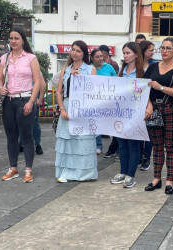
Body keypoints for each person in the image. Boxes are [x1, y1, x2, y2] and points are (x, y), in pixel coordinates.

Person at [0, 27, 41, 183]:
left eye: (16, 38)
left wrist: (31, 101)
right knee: (11, 136)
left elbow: (38, 82)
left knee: (27, 136)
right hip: (8, 100)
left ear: (23, 40)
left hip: (25, 99)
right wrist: (0, 87)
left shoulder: (30, 58)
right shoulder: (5, 58)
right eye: (11, 38)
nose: (13, 41)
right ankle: (13, 168)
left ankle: (28, 169)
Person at [144, 37, 173, 195]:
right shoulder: (153, 67)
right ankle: (156, 178)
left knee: (169, 146)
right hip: (154, 109)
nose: (164, 51)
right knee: (156, 146)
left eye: (168, 48)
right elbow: (144, 88)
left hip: (170, 109)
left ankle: (169, 180)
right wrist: (148, 105)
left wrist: (160, 87)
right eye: (162, 48)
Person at [55, 40, 98, 183]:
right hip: (67, 106)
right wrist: (62, 108)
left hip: (84, 109)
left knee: (83, 142)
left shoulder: (90, 69)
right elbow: (59, 92)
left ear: (84, 54)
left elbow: (94, 92)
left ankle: (84, 174)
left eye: (78, 50)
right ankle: (66, 172)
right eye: (73, 49)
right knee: (67, 142)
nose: (74, 53)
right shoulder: (65, 70)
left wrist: (81, 79)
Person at [110, 42, 144, 188]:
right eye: (124, 53)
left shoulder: (143, 71)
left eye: (128, 53)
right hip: (120, 112)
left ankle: (131, 175)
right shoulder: (122, 71)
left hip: (135, 113)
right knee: (122, 144)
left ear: (136, 54)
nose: (125, 56)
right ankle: (123, 172)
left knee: (133, 145)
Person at [90, 49, 117, 155]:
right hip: (93, 100)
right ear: (92, 58)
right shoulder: (89, 68)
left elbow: (116, 81)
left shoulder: (109, 67)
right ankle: (98, 145)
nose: (100, 58)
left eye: (101, 56)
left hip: (107, 101)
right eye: (97, 56)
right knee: (95, 123)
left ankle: (115, 148)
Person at [138, 40, 157, 171]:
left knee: (149, 132)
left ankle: (147, 158)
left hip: (151, 101)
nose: (153, 52)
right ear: (143, 51)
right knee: (138, 130)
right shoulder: (136, 64)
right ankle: (139, 155)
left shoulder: (155, 65)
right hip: (137, 102)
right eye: (150, 50)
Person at [19, 71, 46, 155]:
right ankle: (21, 144)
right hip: (20, 96)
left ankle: (37, 144)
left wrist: (40, 98)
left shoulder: (35, 69)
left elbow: (42, 84)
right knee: (21, 122)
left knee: (34, 122)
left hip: (32, 96)